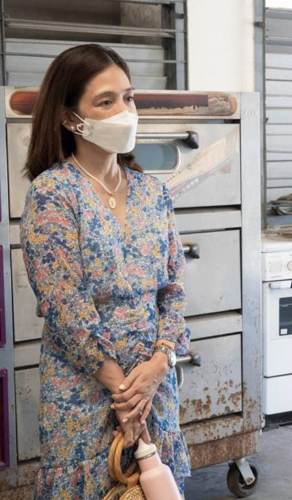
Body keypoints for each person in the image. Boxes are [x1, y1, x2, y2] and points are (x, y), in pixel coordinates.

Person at [20, 44, 191, 498]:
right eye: (106, 101)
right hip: (85, 391)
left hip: (152, 388)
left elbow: (172, 291)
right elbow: (64, 305)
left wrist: (159, 365)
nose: (125, 111)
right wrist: (123, 393)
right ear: (68, 116)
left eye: (128, 98)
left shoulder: (153, 193)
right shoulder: (53, 193)